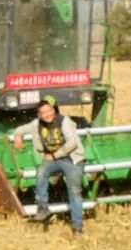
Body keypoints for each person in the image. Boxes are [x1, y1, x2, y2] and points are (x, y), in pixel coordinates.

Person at [12, 97, 85, 234]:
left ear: (53, 110)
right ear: (39, 115)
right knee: (41, 173)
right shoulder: (36, 124)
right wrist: (17, 135)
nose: (47, 115)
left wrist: (54, 155)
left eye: (49, 111)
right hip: (53, 160)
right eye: (43, 113)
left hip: (71, 159)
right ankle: (43, 209)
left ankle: (77, 227)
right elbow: (21, 129)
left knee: (74, 191)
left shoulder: (64, 121)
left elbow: (72, 143)